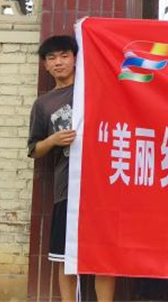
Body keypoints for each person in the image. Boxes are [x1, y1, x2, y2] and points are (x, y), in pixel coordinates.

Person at [28, 35, 116, 302]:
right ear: (45, 65)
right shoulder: (43, 104)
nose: (58, 62)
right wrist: (53, 140)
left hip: (102, 187)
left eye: (64, 55)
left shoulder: (95, 90)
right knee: (64, 257)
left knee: (103, 257)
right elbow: (33, 149)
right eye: (51, 58)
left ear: (75, 59)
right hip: (67, 189)